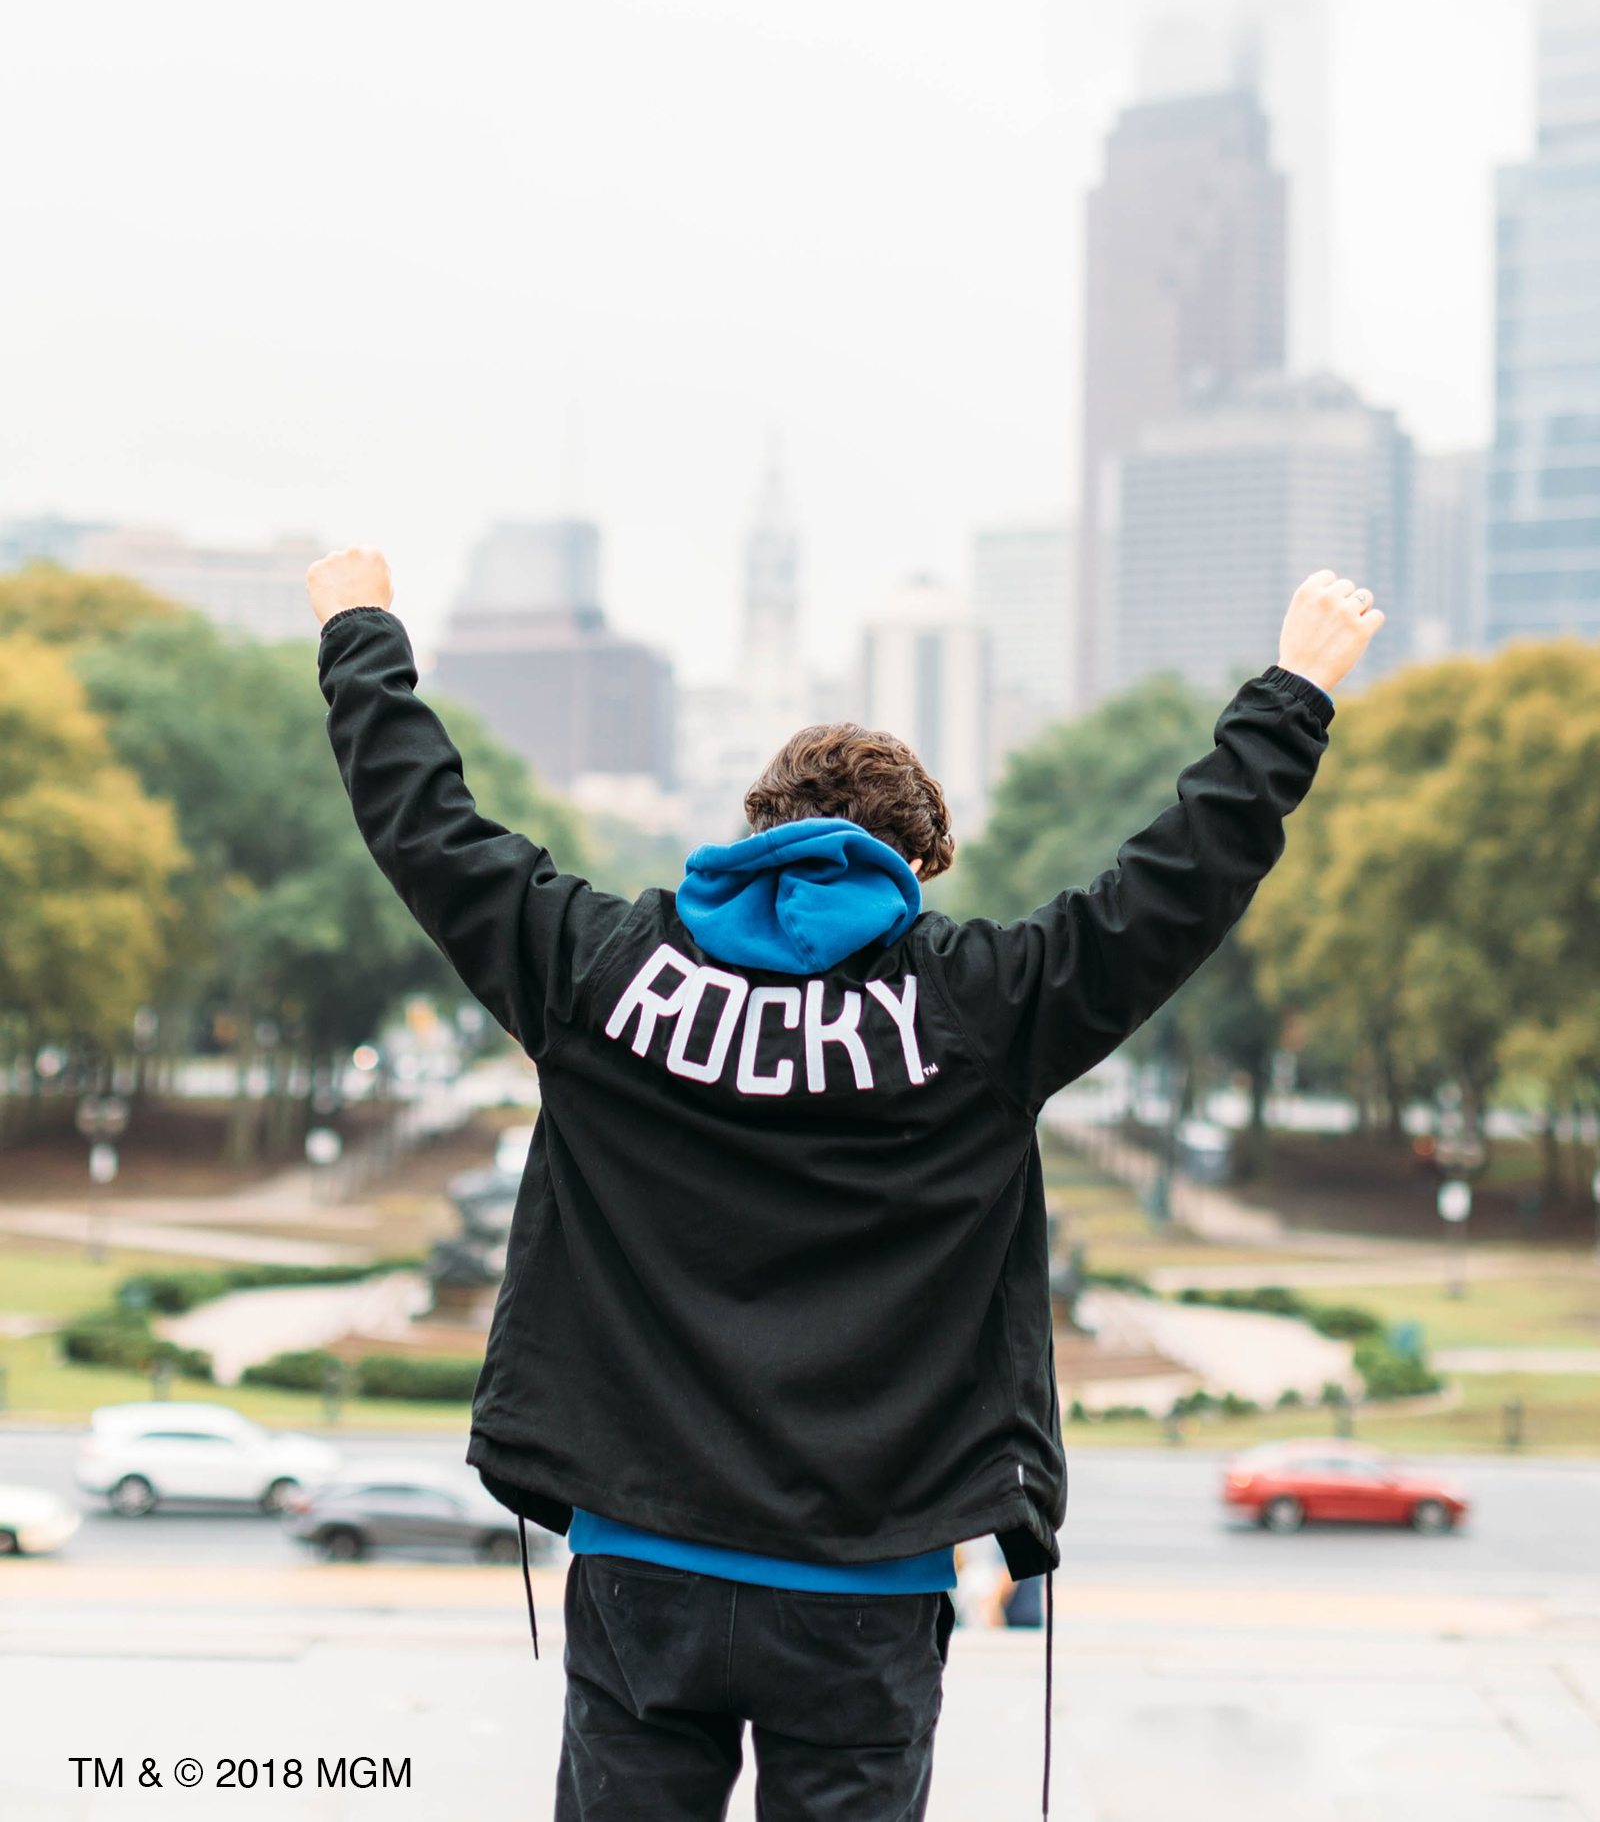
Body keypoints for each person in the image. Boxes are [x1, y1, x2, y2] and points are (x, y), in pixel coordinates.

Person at [307, 551, 1382, 1822]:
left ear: (753, 833)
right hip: (867, 1587)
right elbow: (1170, 888)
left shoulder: (594, 974)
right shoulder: (986, 1007)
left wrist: (359, 636)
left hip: (639, 1562)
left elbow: (430, 831)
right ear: (915, 866)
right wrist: (1294, 690)